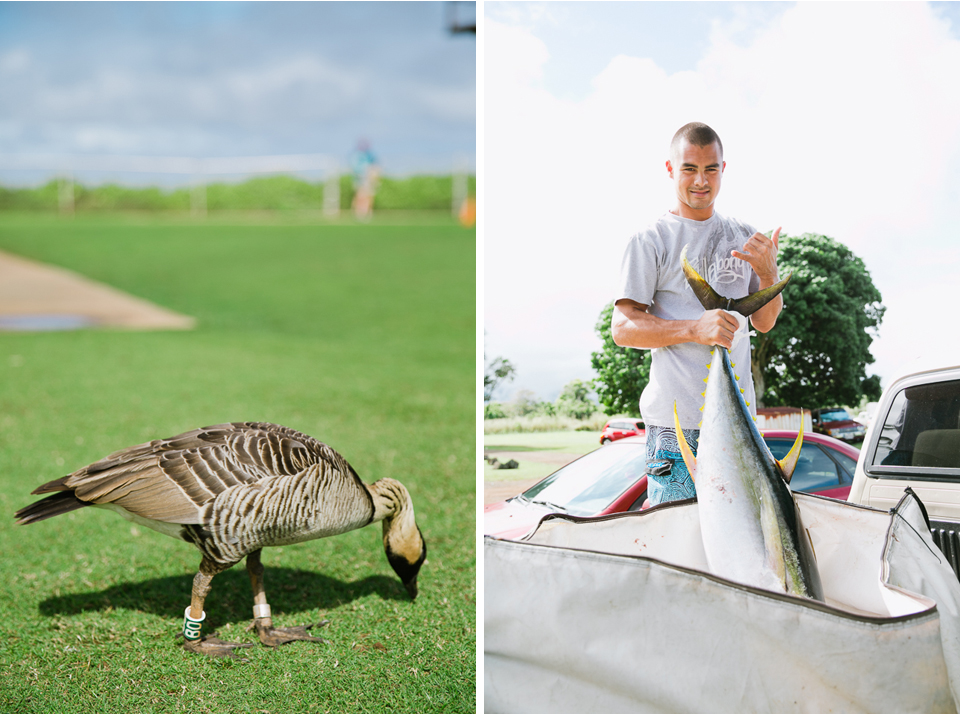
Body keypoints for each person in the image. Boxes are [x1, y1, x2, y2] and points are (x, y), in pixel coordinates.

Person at [611, 122, 783, 506]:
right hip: (678, 429)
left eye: (711, 169)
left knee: (736, 550)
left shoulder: (745, 237)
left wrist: (769, 273)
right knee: (676, 549)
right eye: (689, 168)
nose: (701, 180)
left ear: (724, 168)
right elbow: (623, 328)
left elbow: (765, 322)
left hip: (739, 425)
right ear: (671, 169)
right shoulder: (650, 240)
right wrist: (694, 327)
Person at [350, 140, 380, 220]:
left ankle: (367, 212)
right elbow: (355, 168)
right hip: (359, 179)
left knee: (368, 196)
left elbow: (375, 166)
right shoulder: (356, 155)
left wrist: (373, 175)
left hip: (368, 179)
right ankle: (358, 212)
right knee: (360, 195)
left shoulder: (370, 155)